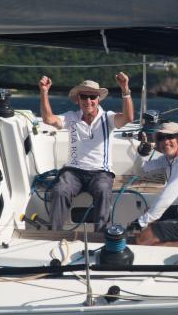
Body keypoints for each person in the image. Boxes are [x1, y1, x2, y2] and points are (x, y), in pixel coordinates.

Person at [39, 73, 134, 231]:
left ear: (98, 99)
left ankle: (100, 237)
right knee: (59, 189)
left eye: (92, 96)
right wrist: (44, 91)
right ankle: (55, 235)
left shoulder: (108, 118)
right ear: (78, 99)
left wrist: (125, 89)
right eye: (84, 96)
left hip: (101, 173)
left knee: (103, 191)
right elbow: (48, 119)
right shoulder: (71, 118)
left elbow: (128, 118)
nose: (88, 101)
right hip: (73, 172)